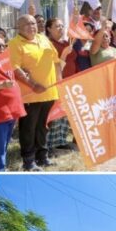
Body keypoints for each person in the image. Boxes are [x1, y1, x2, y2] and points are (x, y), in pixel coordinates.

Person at [8, 14, 62, 171]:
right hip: (30, 95)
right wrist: (33, 84)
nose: (32, 26)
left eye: (34, 23)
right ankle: (28, 161)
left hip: (50, 92)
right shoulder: (15, 44)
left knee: (43, 127)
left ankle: (42, 157)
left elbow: (56, 60)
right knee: (28, 129)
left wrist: (60, 82)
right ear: (19, 27)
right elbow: (15, 68)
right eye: (27, 24)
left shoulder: (43, 38)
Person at [0, 34, 26, 171]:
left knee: (3, 146)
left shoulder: (4, 62)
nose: (1, 48)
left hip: (10, 113)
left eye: (3, 45)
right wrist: (1, 85)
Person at [43, 18, 77, 153]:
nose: (61, 29)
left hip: (71, 81)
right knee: (56, 113)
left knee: (65, 114)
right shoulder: (47, 44)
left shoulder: (65, 42)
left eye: (62, 26)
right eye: (57, 26)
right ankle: (51, 144)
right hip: (56, 82)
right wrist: (63, 54)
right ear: (48, 29)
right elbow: (54, 66)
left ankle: (61, 141)